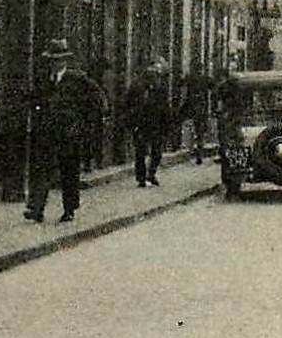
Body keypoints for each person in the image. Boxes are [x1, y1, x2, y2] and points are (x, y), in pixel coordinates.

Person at [25, 38, 105, 224]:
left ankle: (69, 210)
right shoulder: (44, 80)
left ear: (64, 61)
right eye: (52, 60)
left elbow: (99, 101)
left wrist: (83, 124)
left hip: (70, 135)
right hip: (47, 134)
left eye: (58, 60)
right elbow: (35, 100)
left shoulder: (78, 79)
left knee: (69, 173)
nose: (54, 63)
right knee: (42, 170)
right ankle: (36, 208)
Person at [124, 57, 173, 188]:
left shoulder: (161, 90)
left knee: (154, 151)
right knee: (142, 151)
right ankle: (142, 177)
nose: (154, 77)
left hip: (154, 124)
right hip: (142, 124)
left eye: (156, 75)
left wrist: (167, 124)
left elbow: (165, 109)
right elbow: (127, 104)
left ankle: (150, 174)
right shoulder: (137, 87)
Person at [183, 64, 211, 165]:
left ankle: (190, 149)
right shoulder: (205, 79)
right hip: (201, 108)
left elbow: (184, 91)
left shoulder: (189, 79)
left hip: (191, 107)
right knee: (200, 133)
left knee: (190, 129)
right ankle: (199, 153)